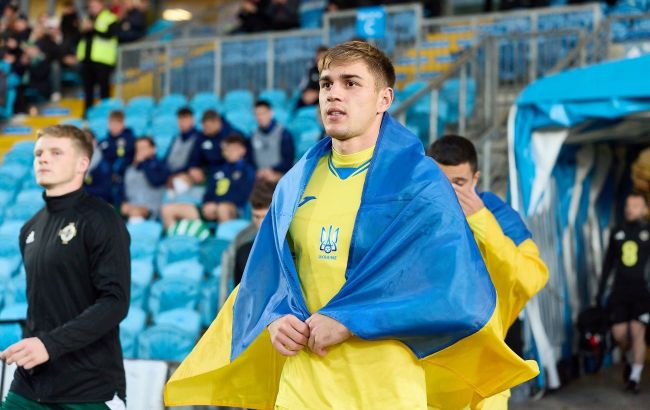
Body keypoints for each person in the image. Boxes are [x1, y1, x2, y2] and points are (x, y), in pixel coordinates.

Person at [165, 41, 539, 409]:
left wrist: (351, 321)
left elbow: (451, 290)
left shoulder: (421, 185)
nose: (334, 94)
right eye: (326, 83)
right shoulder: (294, 183)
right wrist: (275, 318)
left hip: (385, 394)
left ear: (384, 99)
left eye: (351, 83)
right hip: (302, 390)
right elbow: (265, 278)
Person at [0, 124, 130, 409]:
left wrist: (50, 345)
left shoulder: (102, 219)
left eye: (56, 152)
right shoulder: (29, 229)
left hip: (88, 386)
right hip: (31, 384)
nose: (43, 159)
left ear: (82, 164)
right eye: (39, 153)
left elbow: (115, 302)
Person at [428, 134, 549, 408]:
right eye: (440, 182)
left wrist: (482, 221)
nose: (449, 192)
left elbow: (532, 277)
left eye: (459, 183)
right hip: (426, 369)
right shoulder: (411, 214)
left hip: (483, 371)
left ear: (476, 179)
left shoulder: (498, 214)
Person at [596, 192, 650, 394]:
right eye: (628, 205)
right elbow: (608, 263)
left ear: (645, 209)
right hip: (620, 290)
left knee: (637, 331)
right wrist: (601, 290)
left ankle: (634, 378)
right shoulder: (617, 231)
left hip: (642, 291)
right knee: (619, 334)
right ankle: (628, 359)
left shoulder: (648, 231)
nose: (630, 209)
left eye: (635, 206)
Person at [161, 133, 255, 228]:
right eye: (227, 149)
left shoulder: (247, 170)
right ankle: (181, 236)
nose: (230, 152)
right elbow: (209, 192)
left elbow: (243, 196)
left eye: (234, 149)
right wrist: (206, 204)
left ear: (243, 150)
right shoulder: (218, 169)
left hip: (233, 209)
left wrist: (217, 205)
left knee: (222, 208)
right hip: (211, 208)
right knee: (168, 209)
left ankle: (223, 237)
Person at [219, 178, 277, 307]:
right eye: (256, 216)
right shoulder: (243, 251)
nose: (261, 224)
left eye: (265, 217)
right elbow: (239, 297)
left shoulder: (293, 247)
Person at [77, 0, 118, 115]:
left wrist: (92, 28)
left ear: (102, 5)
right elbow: (79, 38)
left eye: (94, 5)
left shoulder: (110, 18)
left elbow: (110, 35)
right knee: (87, 90)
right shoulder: (87, 19)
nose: (92, 8)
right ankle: (87, 115)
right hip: (87, 60)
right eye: (90, 6)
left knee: (104, 89)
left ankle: (105, 114)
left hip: (103, 60)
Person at [121, 136, 169, 221]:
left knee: (136, 214)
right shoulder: (130, 168)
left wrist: (144, 163)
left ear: (153, 149)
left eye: (143, 148)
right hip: (132, 206)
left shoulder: (161, 165)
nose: (140, 151)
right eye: (138, 148)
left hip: (151, 209)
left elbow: (155, 181)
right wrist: (123, 203)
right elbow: (123, 189)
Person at [188, 109, 236, 184]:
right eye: (203, 125)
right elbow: (195, 157)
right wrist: (194, 168)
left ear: (217, 123)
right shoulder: (202, 137)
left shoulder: (232, 136)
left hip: (226, 173)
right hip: (206, 173)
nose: (204, 128)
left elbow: (233, 161)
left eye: (207, 126)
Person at [251, 100, 295, 182]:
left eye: (263, 113)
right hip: (259, 177)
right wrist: (258, 171)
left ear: (271, 113)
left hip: (279, 177)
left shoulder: (283, 134)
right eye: (257, 114)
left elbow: (288, 160)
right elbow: (250, 160)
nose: (260, 117)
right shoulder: (253, 136)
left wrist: (274, 170)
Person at [164, 107, 202, 195]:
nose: (182, 123)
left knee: (178, 185)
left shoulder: (199, 138)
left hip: (185, 175)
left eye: (185, 119)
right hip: (170, 173)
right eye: (180, 119)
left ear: (192, 120)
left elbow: (194, 162)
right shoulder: (176, 138)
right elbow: (167, 159)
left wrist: (175, 174)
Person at [83, 129, 113, 203]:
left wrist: (80, 191)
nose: (85, 144)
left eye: (88, 140)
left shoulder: (103, 165)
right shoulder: (74, 162)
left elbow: (105, 191)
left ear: (94, 142)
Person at [296, 45, 328, 109]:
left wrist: (317, 94)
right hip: (308, 96)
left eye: (322, 57)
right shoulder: (311, 69)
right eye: (318, 56)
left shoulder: (329, 72)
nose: (319, 59)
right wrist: (304, 92)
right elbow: (303, 84)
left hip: (321, 97)